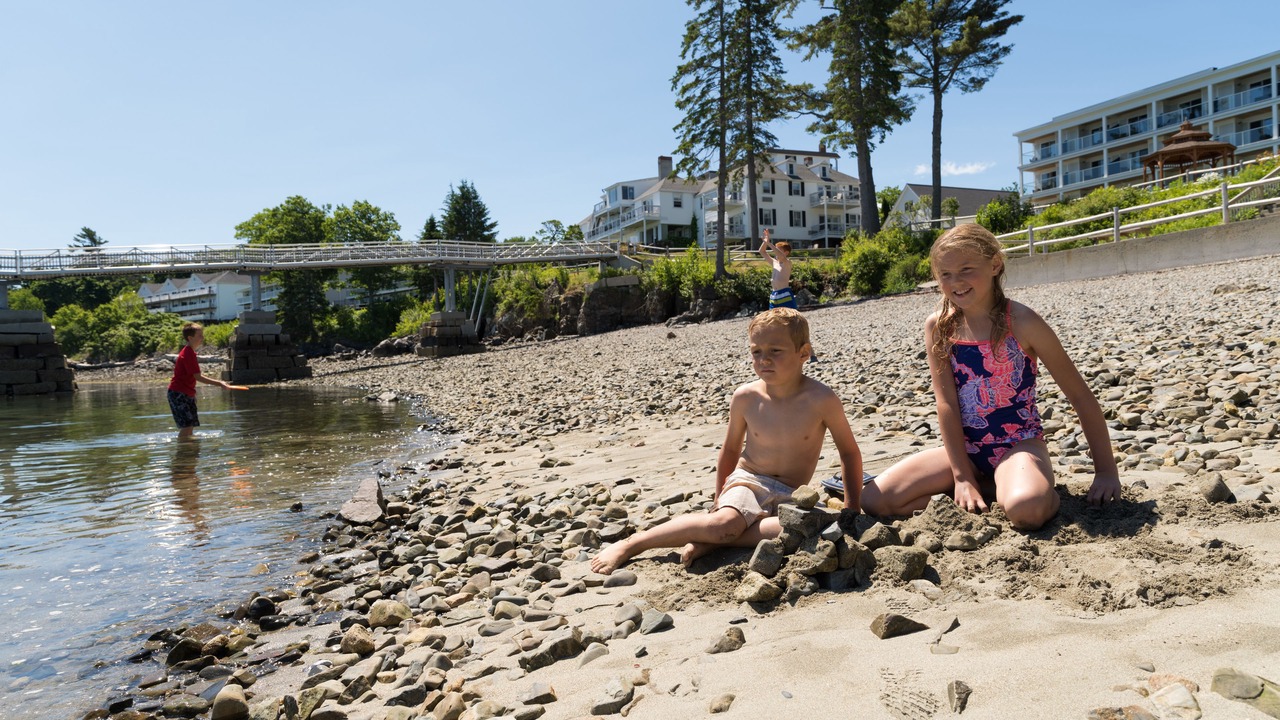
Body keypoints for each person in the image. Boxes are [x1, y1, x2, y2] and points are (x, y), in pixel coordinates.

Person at [860, 224, 1121, 530]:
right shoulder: (939, 327)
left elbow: (1079, 395)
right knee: (875, 500)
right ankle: (983, 488)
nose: (956, 282)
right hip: (964, 451)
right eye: (945, 274)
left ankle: (1019, 489)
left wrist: (1105, 471)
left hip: (1018, 446)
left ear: (995, 264)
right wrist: (961, 476)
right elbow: (947, 405)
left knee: (1027, 510)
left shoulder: (1023, 322)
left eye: (966, 269)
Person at [590, 307, 863, 575]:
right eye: (756, 352)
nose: (763, 359)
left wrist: (852, 508)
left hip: (791, 491)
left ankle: (710, 540)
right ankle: (632, 544)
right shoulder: (746, 397)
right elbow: (731, 449)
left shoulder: (821, 399)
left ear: (804, 353)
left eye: (775, 351)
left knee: (806, 526)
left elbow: (849, 453)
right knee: (724, 523)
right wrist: (720, 497)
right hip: (749, 480)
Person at [168, 322, 231, 438]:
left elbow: (191, 377)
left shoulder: (190, 352)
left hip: (186, 393)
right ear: (190, 338)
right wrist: (220, 383)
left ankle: (189, 453)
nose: (202, 338)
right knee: (186, 426)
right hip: (178, 394)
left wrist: (192, 395)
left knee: (190, 425)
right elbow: (198, 377)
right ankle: (183, 453)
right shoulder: (187, 354)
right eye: (200, 336)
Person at [758, 229, 797, 310]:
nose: (775, 251)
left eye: (778, 250)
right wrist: (765, 242)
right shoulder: (775, 262)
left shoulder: (787, 262)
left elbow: (781, 256)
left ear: (786, 253)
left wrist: (769, 243)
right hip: (774, 295)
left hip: (784, 293)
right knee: (774, 319)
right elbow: (762, 251)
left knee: (789, 318)